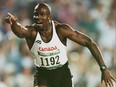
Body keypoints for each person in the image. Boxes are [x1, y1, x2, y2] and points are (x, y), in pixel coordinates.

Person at [5, 3, 115, 87]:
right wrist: (13, 23)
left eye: (42, 15)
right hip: (43, 74)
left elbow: (89, 43)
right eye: (36, 14)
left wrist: (103, 68)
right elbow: (20, 32)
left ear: (49, 17)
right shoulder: (32, 32)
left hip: (62, 74)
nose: (38, 17)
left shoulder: (61, 30)